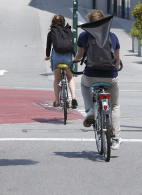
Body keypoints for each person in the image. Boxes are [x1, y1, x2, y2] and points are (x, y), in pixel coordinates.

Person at [72, 10, 122, 150]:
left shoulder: (84, 36)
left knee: (84, 84)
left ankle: (90, 110)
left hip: (91, 75)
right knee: (115, 105)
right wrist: (115, 71)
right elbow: (117, 60)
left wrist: (73, 61)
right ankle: (116, 138)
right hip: (110, 76)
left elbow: (79, 56)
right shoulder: (113, 36)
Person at [44, 14, 78, 108]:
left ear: (53, 22)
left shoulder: (51, 33)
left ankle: (57, 101)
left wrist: (47, 56)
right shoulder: (68, 31)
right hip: (68, 58)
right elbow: (72, 45)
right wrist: (75, 57)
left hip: (56, 58)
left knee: (57, 79)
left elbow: (48, 47)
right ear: (63, 22)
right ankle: (74, 97)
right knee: (70, 77)